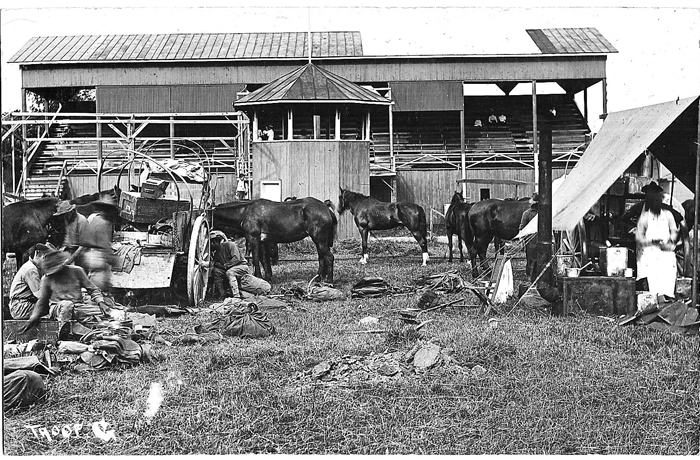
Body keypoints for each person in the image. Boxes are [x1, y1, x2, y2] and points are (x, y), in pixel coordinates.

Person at [19, 249, 110, 337]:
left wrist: (101, 303)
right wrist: (33, 318)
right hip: (58, 308)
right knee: (67, 305)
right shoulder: (46, 279)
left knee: (111, 313)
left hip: (78, 307)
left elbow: (92, 289)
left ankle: (94, 331)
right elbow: (42, 301)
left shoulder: (77, 271)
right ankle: (64, 332)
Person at [635, 181, 678, 298]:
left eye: (658, 201)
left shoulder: (668, 214)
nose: (656, 204)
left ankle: (668, 297)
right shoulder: (644, 217)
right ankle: (654, 298)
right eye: (654, 201)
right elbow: (639, 236)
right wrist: (650, 241)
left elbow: (674, 231)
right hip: (649, 251)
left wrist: (670, 241)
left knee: (668, 275)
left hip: (665, 252)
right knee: (652, 279)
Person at [209, 231, 271, 299]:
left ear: (219, 241)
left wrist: (225, 265)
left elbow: (236, 259)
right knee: (216, 271)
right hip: (228, 269)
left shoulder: (230, 245)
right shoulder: (216, 253)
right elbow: (214, 264)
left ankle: (236, 296)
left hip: (241, 267)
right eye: (211, 242)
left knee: (230, 272)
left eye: (214, 242)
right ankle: (222, 294)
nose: (212, 244)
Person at [8, 243, 53, 320]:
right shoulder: (31, 269)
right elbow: (40, 295)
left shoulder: (37, 268)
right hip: (20, 307)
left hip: (25, 304)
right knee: (54, 308)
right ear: (38, 254)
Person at [519, 192, 539, 280]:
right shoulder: (526, 214)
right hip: (531, 241)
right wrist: (521, 240)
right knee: (531, 260)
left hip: (540, 239)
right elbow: (522, 228)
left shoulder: (544, 213)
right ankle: (530, 277)